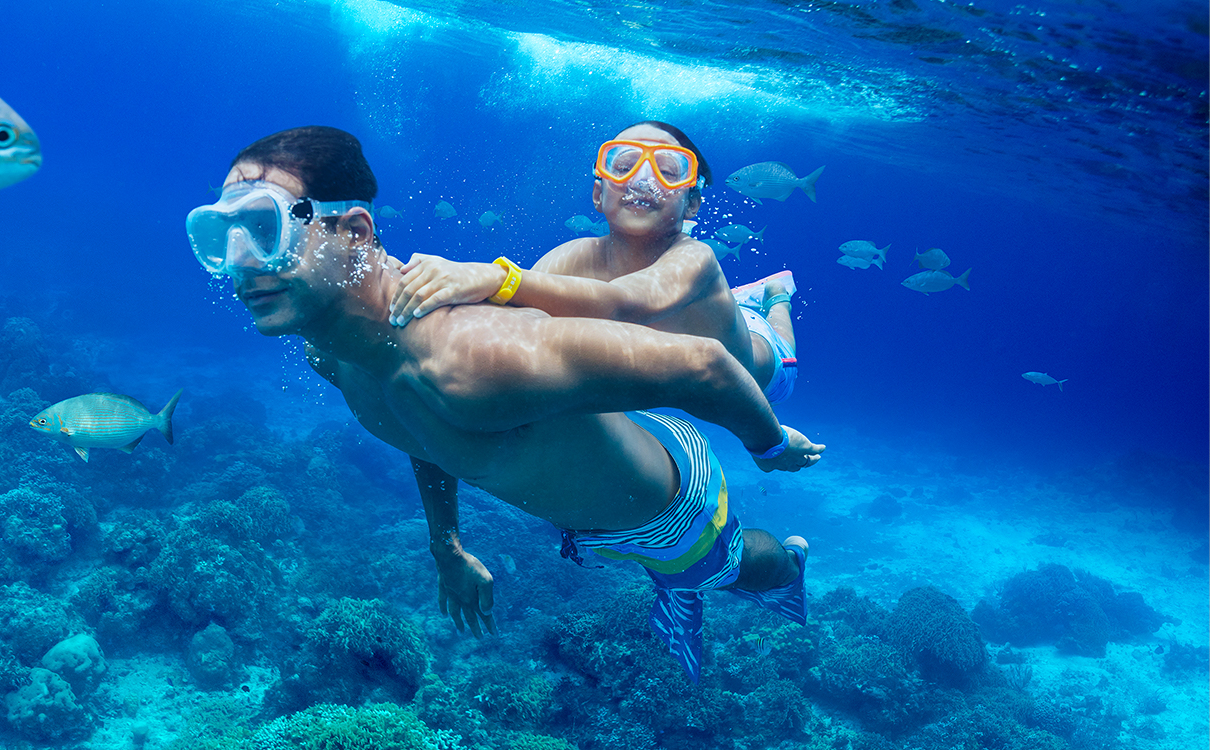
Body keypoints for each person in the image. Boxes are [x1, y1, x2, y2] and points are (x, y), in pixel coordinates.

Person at [184, 126, 825, 684]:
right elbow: (420, 432)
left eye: (263, 228)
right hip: (592, 495)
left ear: (354, 232)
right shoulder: (335, 353)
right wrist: (447, 548)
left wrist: (769, 447)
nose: (239, 266)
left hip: (668, 509)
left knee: (727, 568)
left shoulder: (471, 358)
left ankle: (789, 563)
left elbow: (705, 363)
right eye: (218, 235)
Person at [387, 121, 800, 404]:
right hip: (668, 364)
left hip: (761, 370)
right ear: (597, 195)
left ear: (691, 203)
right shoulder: (573, 257)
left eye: (667, 171)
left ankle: (775, 294)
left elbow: (623, 301)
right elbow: (510, 320)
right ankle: (741, 300)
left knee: (770, 333)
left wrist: (495, 276)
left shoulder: (695, 256)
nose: (641, 180)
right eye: (624, 166)